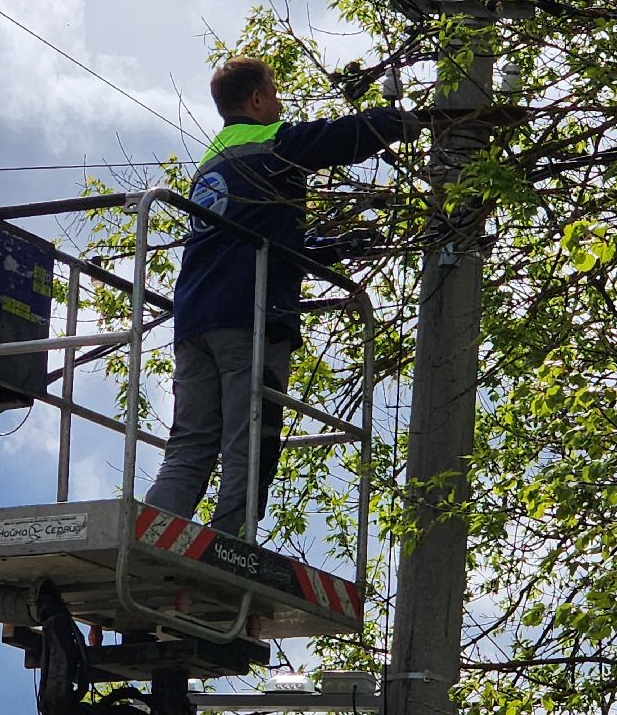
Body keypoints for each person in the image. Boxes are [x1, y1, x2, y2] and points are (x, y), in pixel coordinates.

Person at [144, 56, 420, 539]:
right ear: (256, 99)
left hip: (194, 320)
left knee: (190, 444)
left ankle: (151, 535)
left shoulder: (211, 165)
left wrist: (332, 247)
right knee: (251, 442)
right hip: (250, 319)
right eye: (273, 92)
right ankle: (228, 550)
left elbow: (254, 241)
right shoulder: (272, 143)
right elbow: (338, 137)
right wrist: (400, 121)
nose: (278, 102)